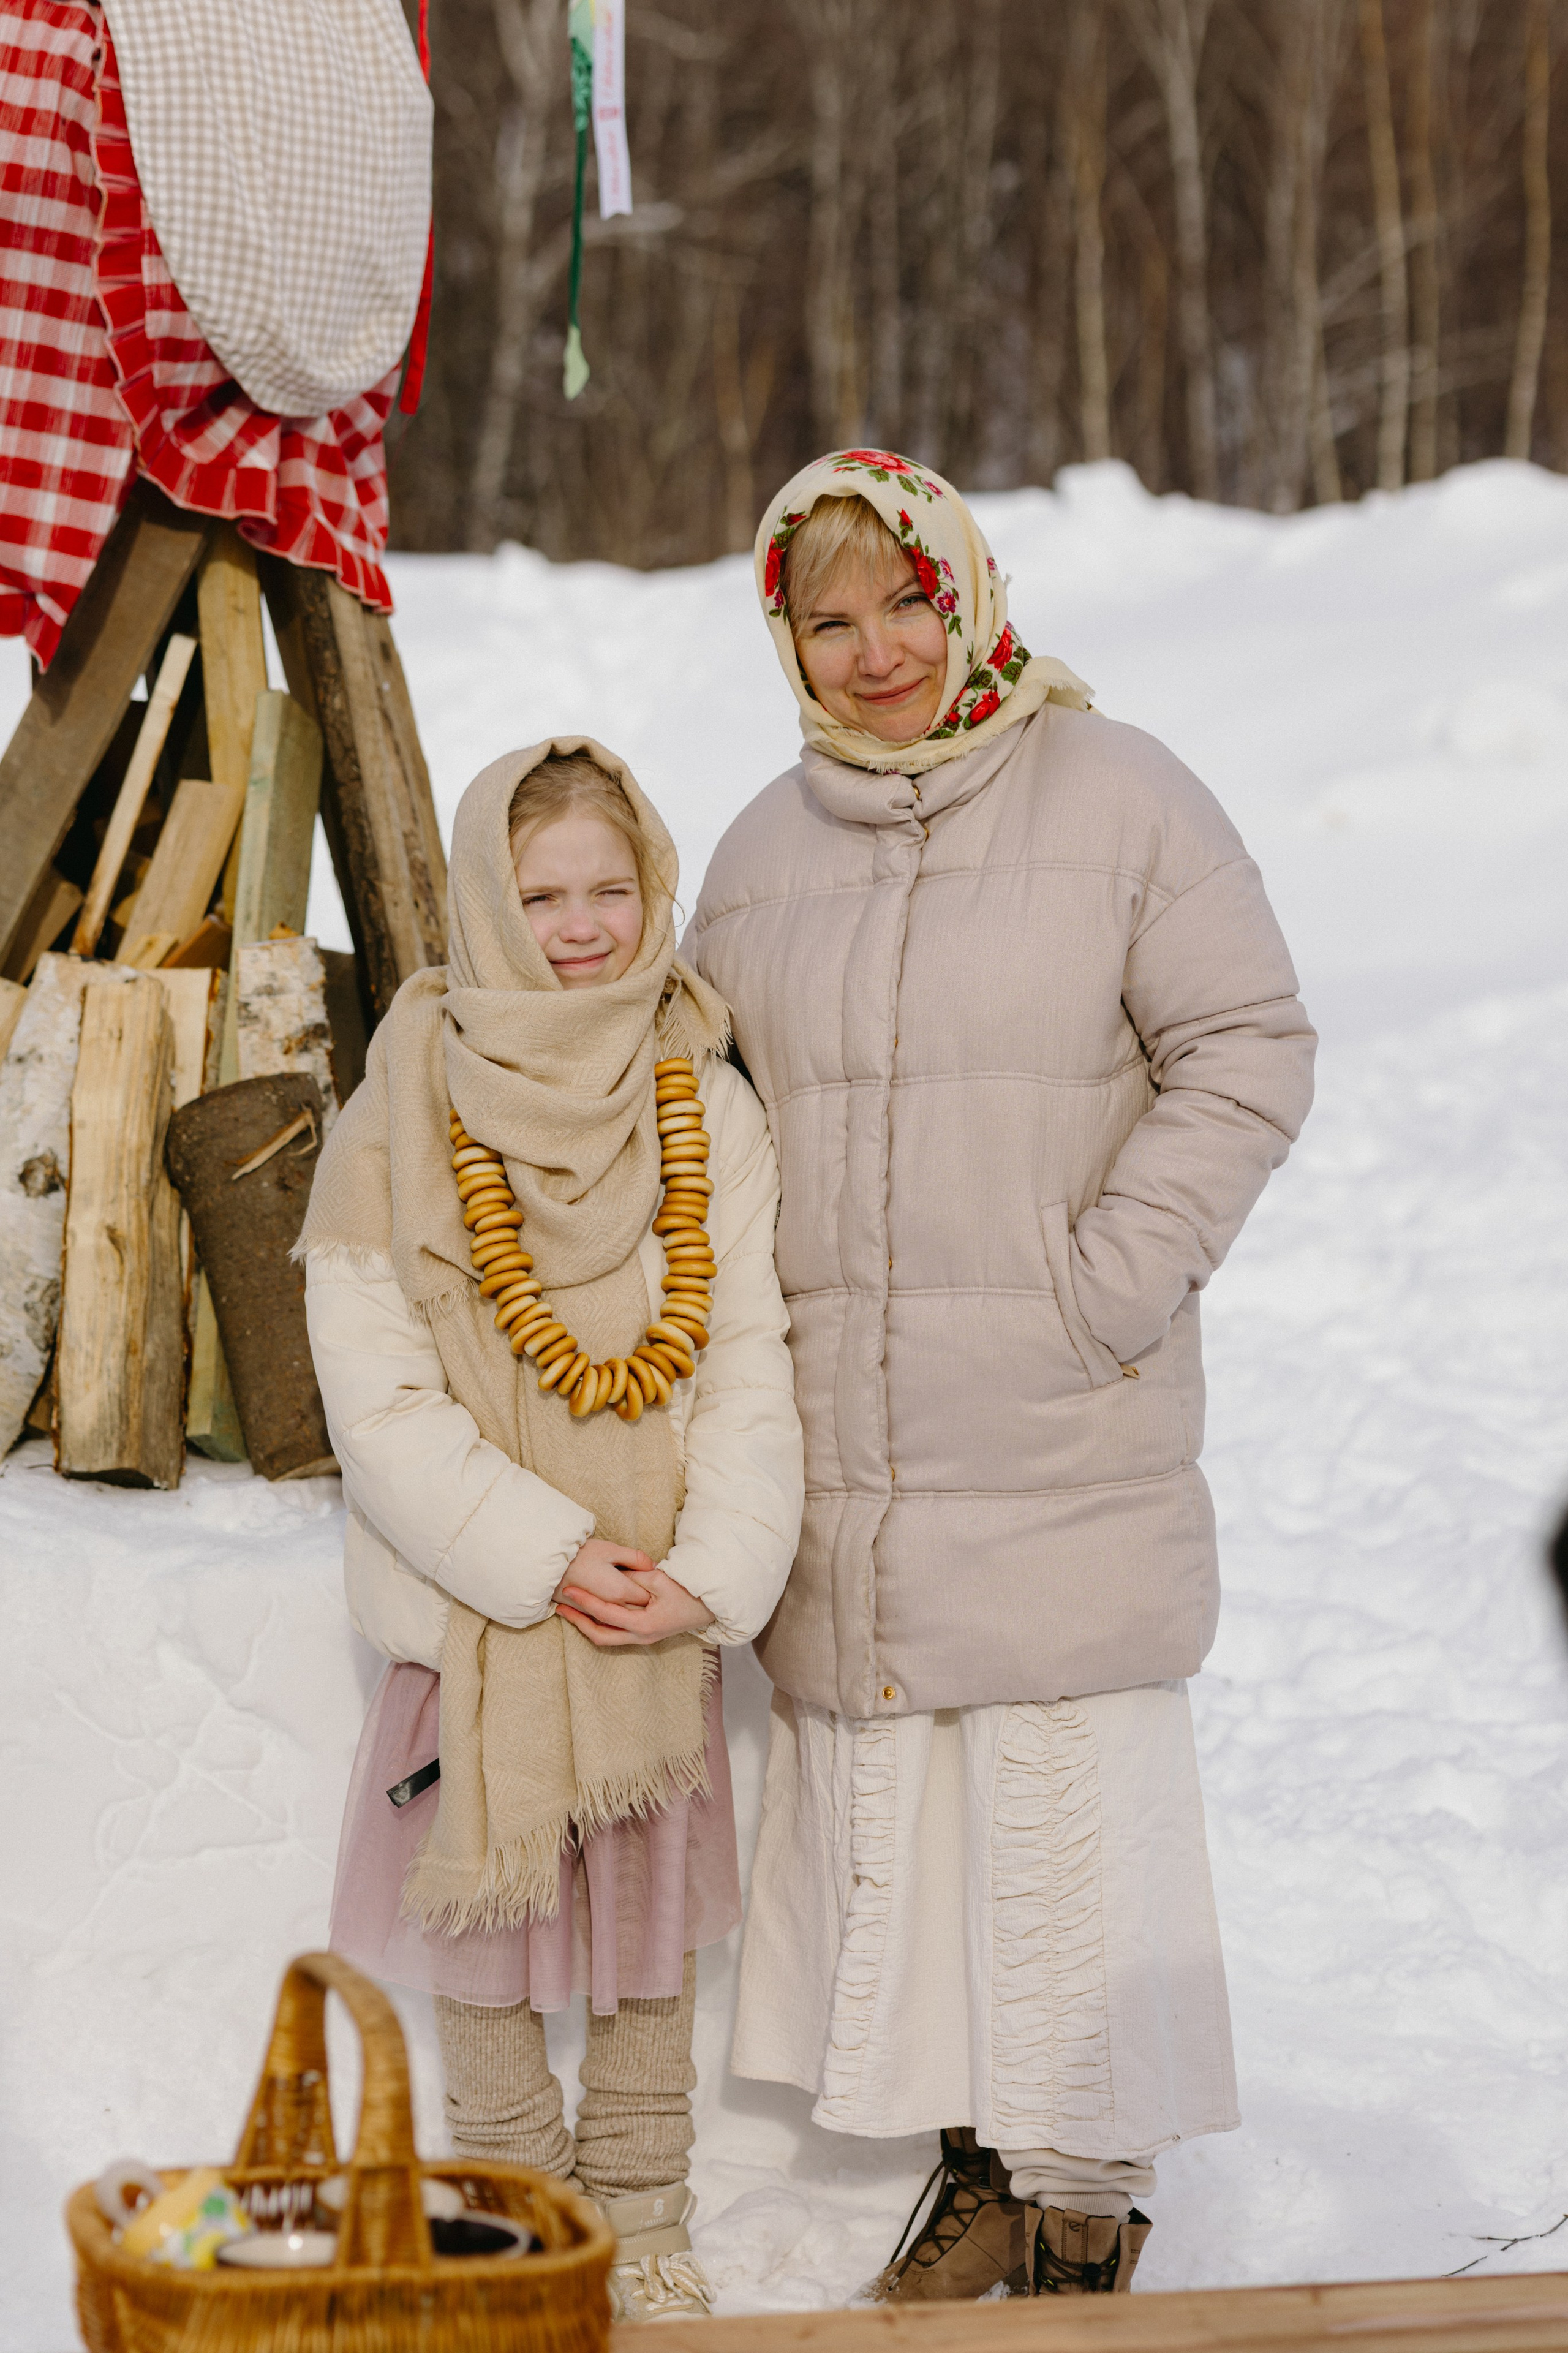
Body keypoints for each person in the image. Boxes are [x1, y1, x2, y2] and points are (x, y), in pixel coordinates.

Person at [684, 451, 1317, 2298]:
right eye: (830, 617)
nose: (874, 648)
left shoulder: (1120, 795)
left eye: (904, 602)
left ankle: (1088, 2198)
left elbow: (1250, 1049)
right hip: (860, 1449)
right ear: (786, 634)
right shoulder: (758, 851)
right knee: (925, 1825)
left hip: (1054, 1424)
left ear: (966, 591)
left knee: (1064, 1811)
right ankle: (981, 2158)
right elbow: (709, 1118)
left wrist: (1103, 1285)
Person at [301, 741, 804, 2321]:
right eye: (541, 895)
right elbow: (374, 1390)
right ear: (482, 904)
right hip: (484, 1606)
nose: (582, 924)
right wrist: (532, 1552)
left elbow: (741, 1358)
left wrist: (709, 1575)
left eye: (612, 887)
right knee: (493, 1909)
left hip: (648, 1597)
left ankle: (643, 2199)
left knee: (645, 1919)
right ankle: (511, 2193)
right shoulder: (404, 1101)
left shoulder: (700, 1094)